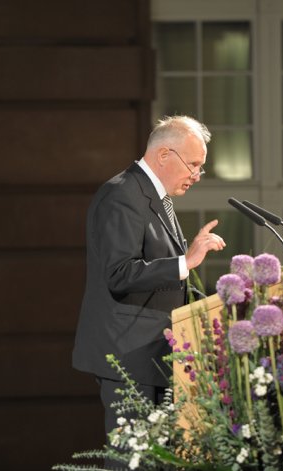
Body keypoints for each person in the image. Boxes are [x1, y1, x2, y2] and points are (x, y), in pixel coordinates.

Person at [72, 115, 226, 439]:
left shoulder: (154, 197)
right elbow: (119, 274)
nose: (197, 176)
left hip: (153, 356)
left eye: (201, 167)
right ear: (164, 155)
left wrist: (223, 301)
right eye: (193, 165)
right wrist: (185, 262)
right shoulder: (122, 195)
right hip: (130, 357)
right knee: (132, 461)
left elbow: (162, 282)